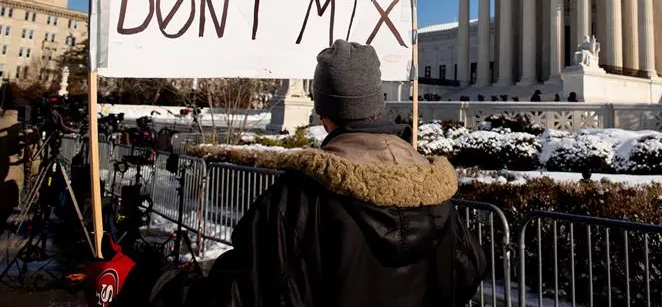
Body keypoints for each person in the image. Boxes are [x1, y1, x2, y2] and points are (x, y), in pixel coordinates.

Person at [88, 40, 487, 307]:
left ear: (324, 113)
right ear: (378, 103)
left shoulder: (302, 200)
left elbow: (235, 298)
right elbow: (468, 273)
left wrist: (140, 282)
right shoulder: (437, 195)